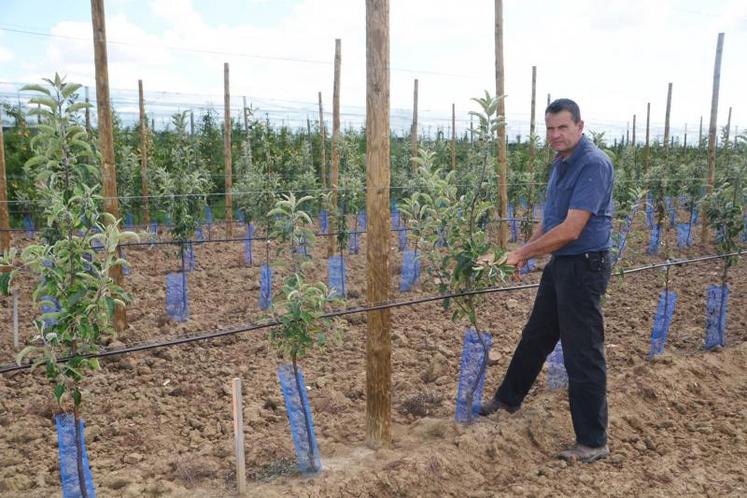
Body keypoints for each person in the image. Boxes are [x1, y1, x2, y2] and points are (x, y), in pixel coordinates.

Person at [480, 98, 614, 464]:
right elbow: (552, 221)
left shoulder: (593, 164)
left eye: (562, 128)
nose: (555, 135)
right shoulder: (561, 163)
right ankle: (507, 400)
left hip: (585, 266)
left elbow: (571, 230)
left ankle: (592, 441)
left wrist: (521, 255)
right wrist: (525, 253)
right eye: (550, 128)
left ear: (580, 126)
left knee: (581, 352)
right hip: (562, 264)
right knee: (536, 335)